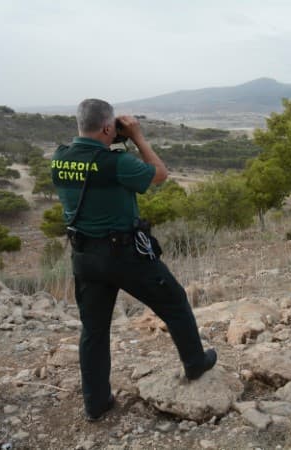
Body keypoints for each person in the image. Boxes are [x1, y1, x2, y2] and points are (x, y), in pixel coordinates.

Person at [51, 98, 216, 421]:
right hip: (125, 255)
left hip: (84, 256)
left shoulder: (59, 158)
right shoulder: (117, 163)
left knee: (94, 330)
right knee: (174, 302)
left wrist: (114, 138)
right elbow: (160, 174)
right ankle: (195, 363)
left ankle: (96, 403)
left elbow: (88, 161)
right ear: (108, 127)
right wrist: (137, 137)